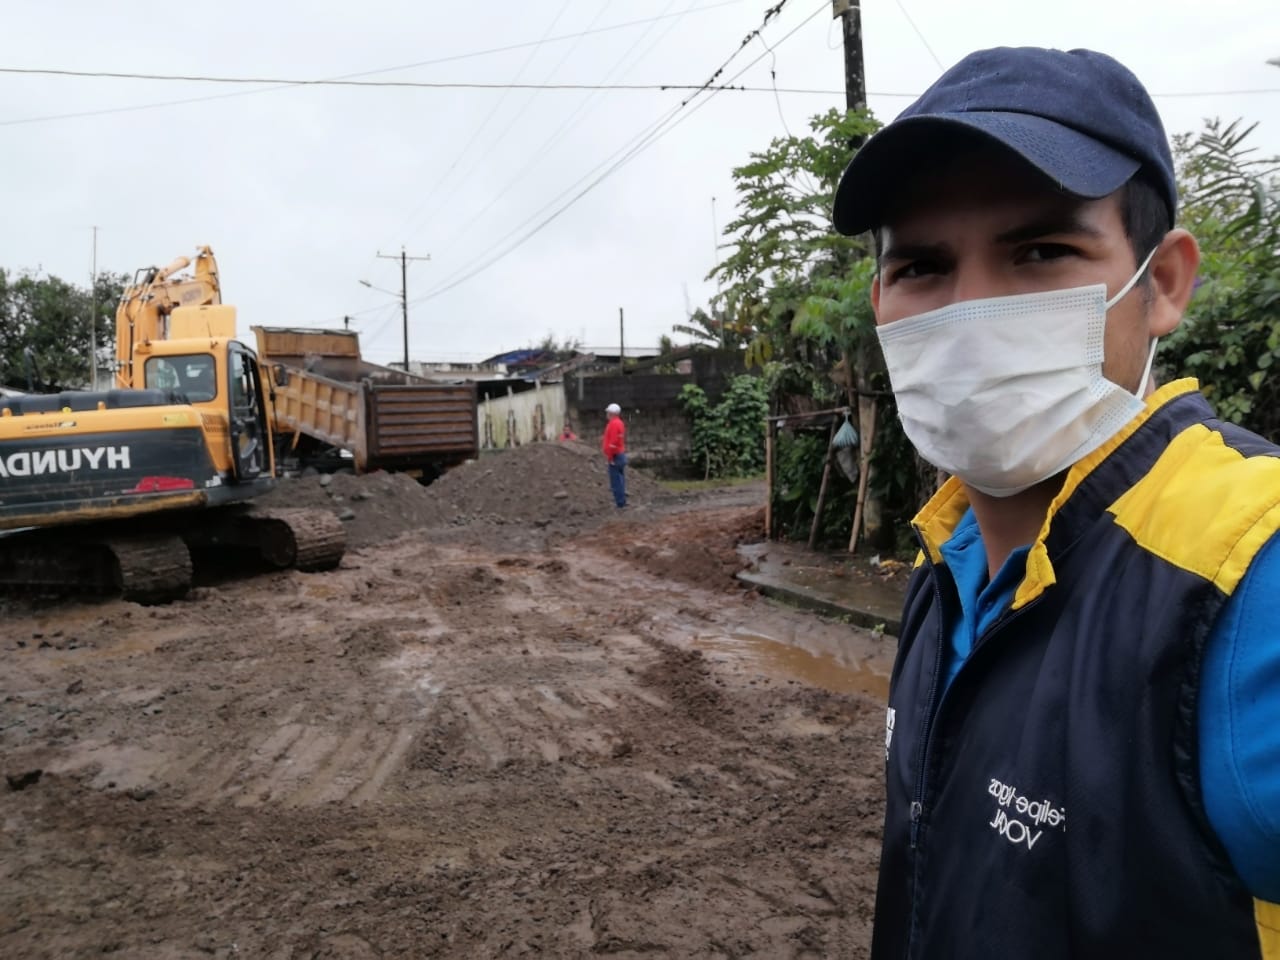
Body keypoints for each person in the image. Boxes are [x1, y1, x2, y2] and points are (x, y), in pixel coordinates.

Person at [830, 46, 1280, 958]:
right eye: (922, 267)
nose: (970, 313)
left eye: (1041, 252)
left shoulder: (1247, 575)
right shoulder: (947, 563)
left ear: (1162, 283)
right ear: (880, 302)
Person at [601, 402, 627, 508]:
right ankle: (622, 501)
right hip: (620, 454)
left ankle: (620, 503)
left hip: (615, 456)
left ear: (611, 413)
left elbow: (613, 442)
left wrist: (610, 457)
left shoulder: (613, 424)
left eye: (608, 412)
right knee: (620, 479)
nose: (607, 414)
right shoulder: (619, 423)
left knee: (616, 481)